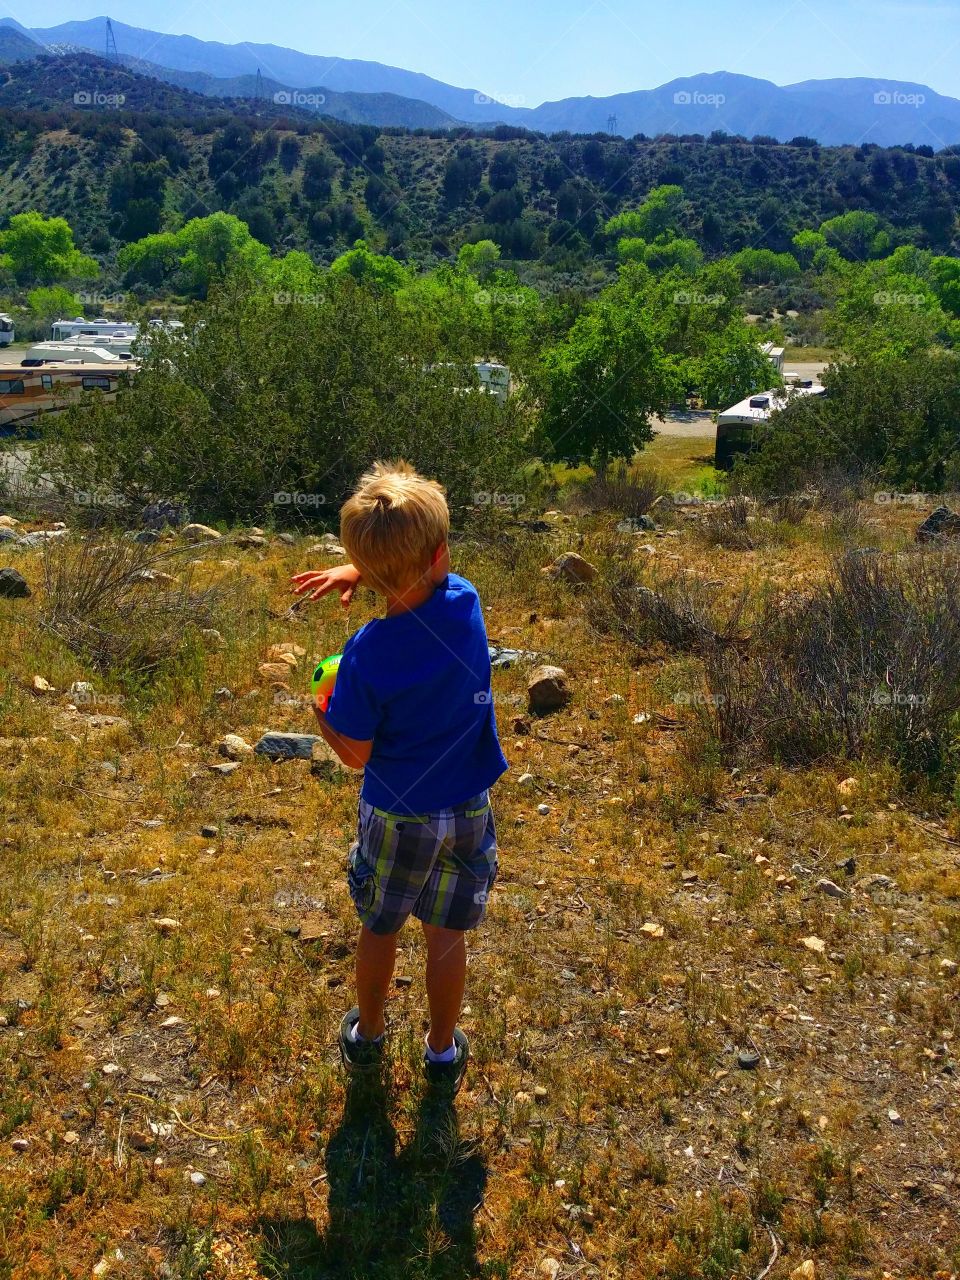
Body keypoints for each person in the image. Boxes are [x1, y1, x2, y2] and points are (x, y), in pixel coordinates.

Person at [291, 461, 507, 1093]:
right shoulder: (464, 603)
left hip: (396, 813)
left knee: (380, 925)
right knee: (446, 935)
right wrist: (374, 568)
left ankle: (370, 1035)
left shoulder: (365, 655)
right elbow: (424, 572)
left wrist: (322, 716)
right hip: (466, 807)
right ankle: (441, 1051)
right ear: (440, 554)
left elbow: (356, 754)